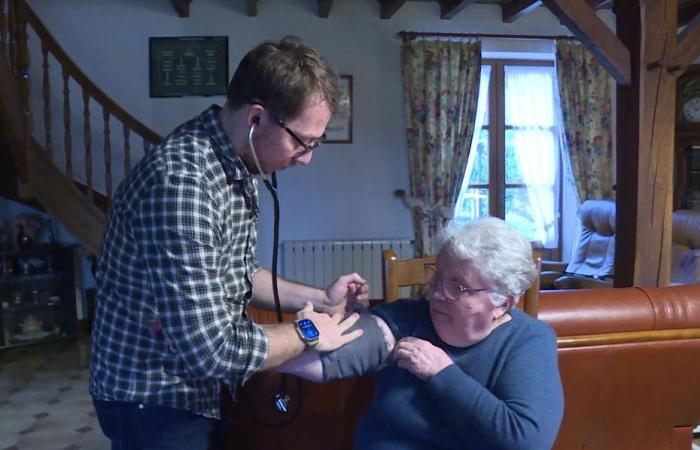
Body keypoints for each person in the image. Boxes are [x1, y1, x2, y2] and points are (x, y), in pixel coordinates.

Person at [90, 36, 368, 450]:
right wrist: (310, 329)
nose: (307, 157)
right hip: (152, 396)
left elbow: (237, 272)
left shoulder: (236, 162)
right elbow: (211, 350)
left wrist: (321, 300)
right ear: (257, 118)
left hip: (191, 391)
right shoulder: (184, 183)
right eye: (302, 141)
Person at [281, 217, 564, 450]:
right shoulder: (408, 316)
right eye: (437, 277)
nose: (436, 294)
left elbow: (527, 441)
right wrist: (293, 336)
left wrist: (442, 373)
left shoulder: (528, 340)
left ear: (503, 302)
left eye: (457, 287)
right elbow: (323, 360)